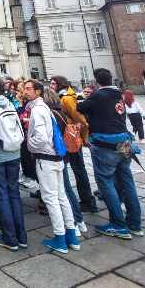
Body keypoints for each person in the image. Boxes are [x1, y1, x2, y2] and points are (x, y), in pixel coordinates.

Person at [79, 69, 142, 239]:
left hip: (106, 143)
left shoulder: (99, 95)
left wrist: (85, 98)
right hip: (124, 141)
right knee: (127, 181)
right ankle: (135, 223)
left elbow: (80, 107)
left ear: (97, 81)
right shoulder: (118, 94)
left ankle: (118, 225)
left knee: (106, 183)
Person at [24, 80, 80, 254]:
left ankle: (60, 238)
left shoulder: (38, 110)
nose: (25, 92)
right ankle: (72, 235)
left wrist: (29, 145)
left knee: (51, 199)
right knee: (62, 196)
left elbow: (40, 138)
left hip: (46, 158)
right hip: (57, 157)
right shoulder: (46, 109)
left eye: (28, 89)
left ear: (39, 92)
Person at [0, 75, 27, 251]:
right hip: (14, 152)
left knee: (1, 194)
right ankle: (21, 236)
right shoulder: (9, 103)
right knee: (14, 193)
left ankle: (9, 237)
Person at [43, 87, 87, 235]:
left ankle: (73, 224)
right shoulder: (60, 111)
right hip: (64, 154)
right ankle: (79, 222)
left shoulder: (51, 114)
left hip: (56, 155)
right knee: (66, 189)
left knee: (63, 191)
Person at [51, 75, 97, 214]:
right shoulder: (62, 96)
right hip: (68, 137)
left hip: (71, 137)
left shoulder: (66, 98)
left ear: (60, 84)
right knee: (76, 169)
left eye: (53, 83)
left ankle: (88, 201)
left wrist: (84, 137)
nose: (51, 86)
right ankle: (85, 200)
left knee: (79, 169)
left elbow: (80, 120)